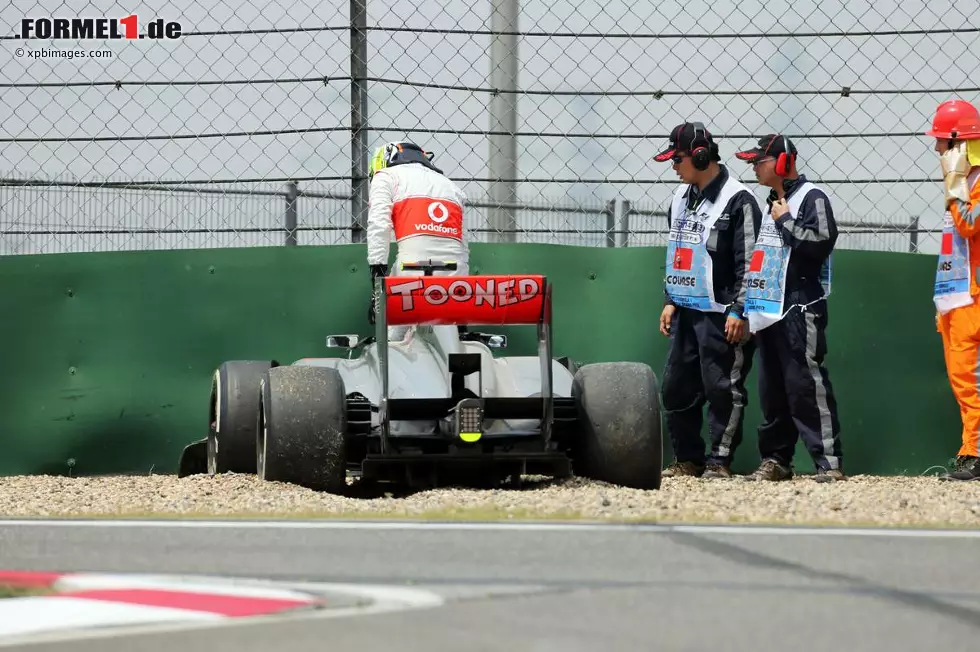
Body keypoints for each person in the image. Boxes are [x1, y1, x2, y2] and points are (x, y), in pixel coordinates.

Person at [655, 121, 763, 479]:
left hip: (723, 314)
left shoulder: (739, 200)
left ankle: (719, 462)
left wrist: (740, 309)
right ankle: (688, 458)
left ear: (701, 157)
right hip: (687, 309)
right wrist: (670, 298)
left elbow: (751, 262)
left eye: (678, 159)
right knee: (676, 388)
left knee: (722, 387)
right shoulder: (679, 198)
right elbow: (678, 251)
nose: (674, 166)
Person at [734, 134, 844, 483]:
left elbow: (821, 242)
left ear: (781, 163)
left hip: (800, 305)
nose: (754, 167)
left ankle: (828, 462)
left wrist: (785, 221)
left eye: (759, 161)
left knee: (805, 386)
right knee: (773, 391)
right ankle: (776, 460)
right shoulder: (771, 203)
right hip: (769, 309)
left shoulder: (812, 197)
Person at [365, 141, 469, 340]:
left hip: (410, 270)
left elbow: (379, 227)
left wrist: (377, 282)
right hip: (454, 273)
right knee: (449, 342)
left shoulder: (386, 177)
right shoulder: (451, 186)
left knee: (392, 343)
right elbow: (463, 246)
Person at [927, 99, 980, 481]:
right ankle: (970, 450)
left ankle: (975, 453)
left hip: (975, 298)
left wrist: (954, 181)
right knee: (962, 378)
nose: (937, 150)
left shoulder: (971, 185)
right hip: (959, 296)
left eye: (942, 142)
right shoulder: (966, 183)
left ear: (960, 143)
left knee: (970, 378)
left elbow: (966, 225)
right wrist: (943, 299)